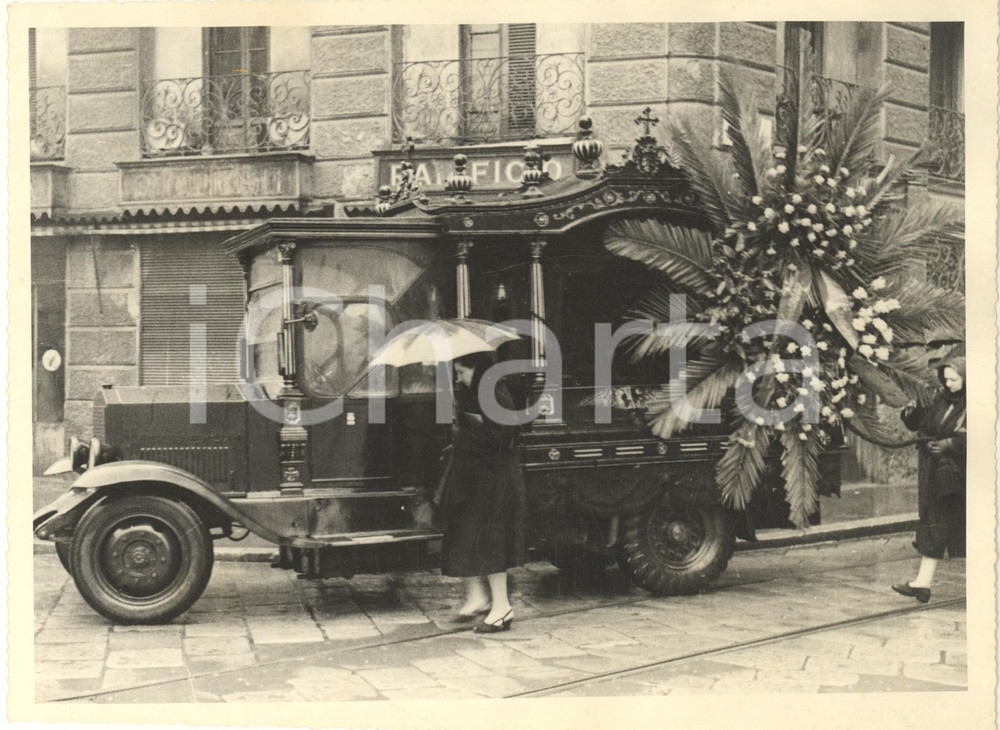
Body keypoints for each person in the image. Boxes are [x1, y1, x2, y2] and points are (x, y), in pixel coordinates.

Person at [439, 352, 527, 632]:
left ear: (476, 368)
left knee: (491, 540)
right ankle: (478, 596)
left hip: (494, 479)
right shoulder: (475, 390)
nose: (458, 377)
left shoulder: (494, 390)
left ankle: (501, 608)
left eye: (462, 372)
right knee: (468, 533)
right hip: (478, 476)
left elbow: (504, 437)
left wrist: (467, 434)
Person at [893, 357, 966, 603]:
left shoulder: (979, 403)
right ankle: (922, 583)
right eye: (946, 379)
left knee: (960, 527)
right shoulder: (940, 399)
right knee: (935, 522)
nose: (949, 384)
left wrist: (949, 444)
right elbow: (920, 424)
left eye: (954, 379)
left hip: (960, 476)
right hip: (936, 474)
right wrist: (910, 412)